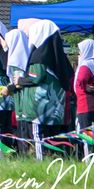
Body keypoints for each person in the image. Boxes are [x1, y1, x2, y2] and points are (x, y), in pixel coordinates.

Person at [15, 21, 73, 158]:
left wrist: (20, 81)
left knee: (39, 140)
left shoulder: (39, 56)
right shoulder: (60, 58)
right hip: (56, 110)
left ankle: (41, 167)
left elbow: (36, 77)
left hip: (38, 111)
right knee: (54, 141)